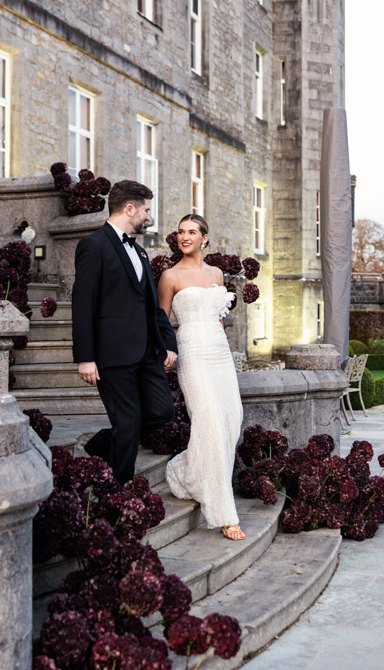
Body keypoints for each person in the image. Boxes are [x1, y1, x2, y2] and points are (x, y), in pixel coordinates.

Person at [71, 180, 178, 484]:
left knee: (162, 411)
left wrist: (169, 344)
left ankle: (102, 444)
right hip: (112, 354)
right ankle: (120, 490)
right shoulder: (93, 246)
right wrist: (85, 357)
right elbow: (83, 304)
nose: (149, 217)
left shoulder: (141, 253)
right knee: (128, 421)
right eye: (146, 210)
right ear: (129, 209)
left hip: (146, 352)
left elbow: (153, 307)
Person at [157, 214, 246, 541]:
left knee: (232, 418)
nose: (185, 236)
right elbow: (161, 321)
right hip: (191, 350)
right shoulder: (169, 276)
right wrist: (166, 354)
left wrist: (224, 347)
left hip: (218, 351)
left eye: (192, 232)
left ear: (204, 238)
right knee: (208, 418)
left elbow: (219, 318)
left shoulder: (217, 273)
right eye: (181, 231)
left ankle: (187, 473)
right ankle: (224, 513)